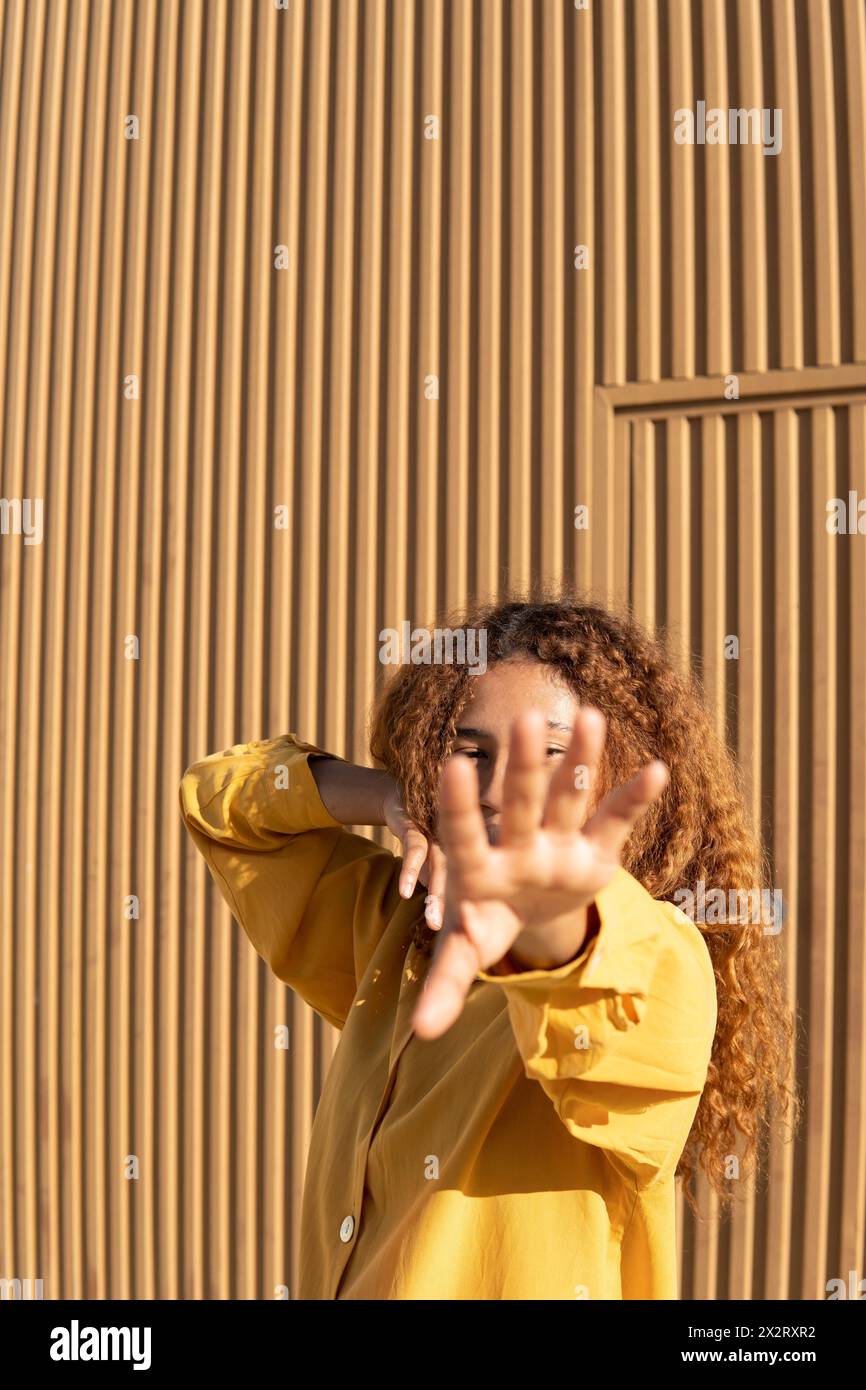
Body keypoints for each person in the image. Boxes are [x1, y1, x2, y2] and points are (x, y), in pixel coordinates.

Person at [178, 593, 798, 1299]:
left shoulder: (659, 959)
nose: (501, 789)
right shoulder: (393, 927)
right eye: (472, 752)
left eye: (550, 755)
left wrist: (551, 925)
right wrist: (388, 800)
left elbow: (605, 983)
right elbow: (218, 801)